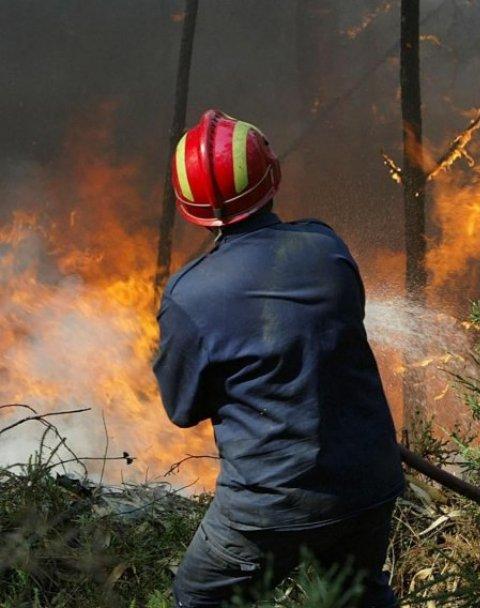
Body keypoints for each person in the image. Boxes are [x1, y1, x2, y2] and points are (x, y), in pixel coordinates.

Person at [153, 109, 404, 608]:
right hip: (365, 486)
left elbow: (182, 410)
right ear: (272, 179)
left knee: (198, 599)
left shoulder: (189, 294)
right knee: (356, 599)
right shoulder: (325, 247)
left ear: (190, 207)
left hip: (269, 506)